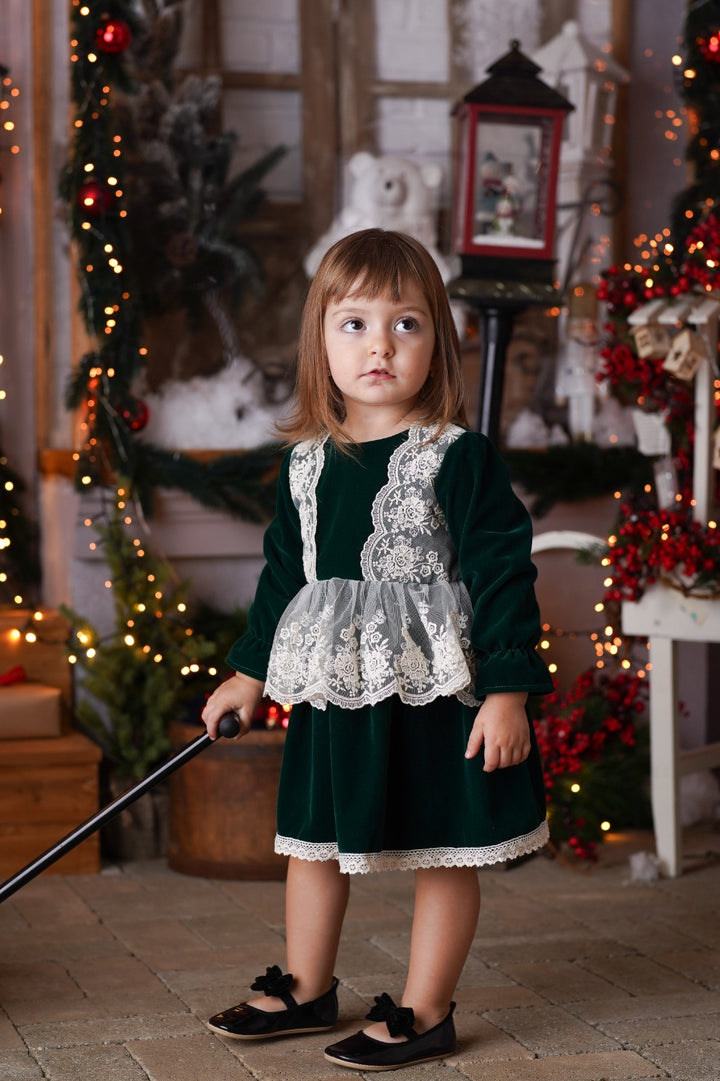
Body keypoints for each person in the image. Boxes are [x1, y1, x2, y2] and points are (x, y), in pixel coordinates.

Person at [201, 227, 553, 1071]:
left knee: (443, 843)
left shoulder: (456, 458)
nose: (382, 347)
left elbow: (505, 569)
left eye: (406, 324)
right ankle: (307, 984)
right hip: (336, 691)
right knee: (313, 841)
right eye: (355, 324)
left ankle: (426, 1009)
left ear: (439, 340)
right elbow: (284, 574)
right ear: (321, 340)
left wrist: (508, 690)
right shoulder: (306, 466)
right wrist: (249, 673)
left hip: (438, 693)